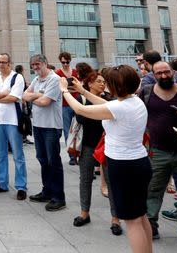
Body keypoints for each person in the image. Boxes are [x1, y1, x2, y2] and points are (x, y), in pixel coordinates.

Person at [61, 65, 153, 253]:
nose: (106, 86)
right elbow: (103, 104)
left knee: (132, 221)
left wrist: (64, 90)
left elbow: (80, 109)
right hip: (139, 162)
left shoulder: (119, 107)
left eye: (109, 83)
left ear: (116, 87)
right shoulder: (135, 101)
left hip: (124, 166)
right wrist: (82, 90)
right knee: (141, 216)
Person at [140, 61, 177, 247]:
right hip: (158, 150)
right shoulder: (146, 92)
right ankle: (151, 224)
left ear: (172, 72)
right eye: (159, 73)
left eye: (166, 72)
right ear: (153, 74)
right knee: (153, 189)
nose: (163, 76)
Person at [68, 69, 122, 234]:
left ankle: (115, 218)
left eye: (103, 82)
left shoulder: (109, 100)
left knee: (112, 182)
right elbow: (81, 118)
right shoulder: (81, 99)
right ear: (89, 84)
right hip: (88, 145)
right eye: (99, 81)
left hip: (107, 145)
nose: (102, 84)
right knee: (85, 179)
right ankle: (85, 213)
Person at [23, 54, 65, 210]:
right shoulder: (36, 79)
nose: (35, 67)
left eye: (37, 64)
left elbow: (45, 102)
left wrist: (33, 97)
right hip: (38, 126)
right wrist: (38, 95)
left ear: (45, 63)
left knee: (53, 161)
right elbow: (24, 95)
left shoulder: (54, 79)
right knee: (42, 159)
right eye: (32, 64)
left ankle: (58, 197)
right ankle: (47, 191)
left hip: (51, 127)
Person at [0, 52, 27, 200]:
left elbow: (14, 98)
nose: (1, 64)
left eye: (4, 62)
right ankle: (2, 183)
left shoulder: (17, 77)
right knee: (0, 153)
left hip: (12, 120)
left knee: (18, 155)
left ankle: (21, 186)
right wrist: (3, 94)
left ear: (9, 63)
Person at [55, 51, 79, 160]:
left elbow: (79, 86)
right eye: (63, 62)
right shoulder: (58, 73)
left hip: (77, 103)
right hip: (64, 104)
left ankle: (79, 151)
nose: (65, 64)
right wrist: (69, 89)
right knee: (67, 129)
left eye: (67, 62)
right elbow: (57, 88)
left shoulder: (75, 72)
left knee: (79, 128)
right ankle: (72, 156)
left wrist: (67, 88)